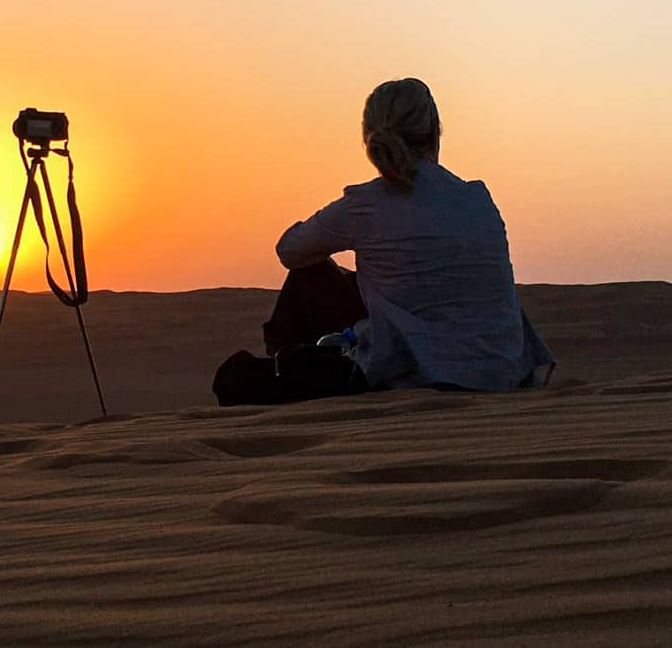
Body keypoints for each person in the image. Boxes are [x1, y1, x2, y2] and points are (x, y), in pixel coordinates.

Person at [213, 78, 554, 405]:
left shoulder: (367, 205)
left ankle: (294, 391)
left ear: (369, 136)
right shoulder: (478, 199)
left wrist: (338, 222)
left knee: (309, 275)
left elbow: (289, 250)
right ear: (435, 131)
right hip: (502, 370)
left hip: (417, 370)